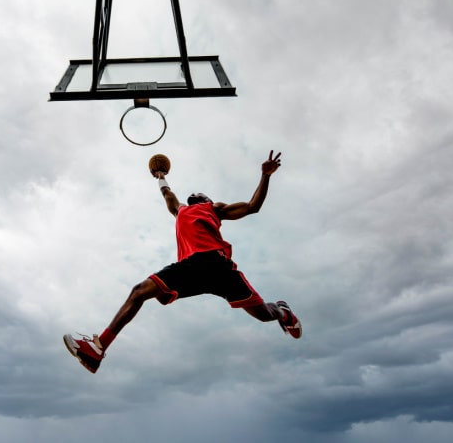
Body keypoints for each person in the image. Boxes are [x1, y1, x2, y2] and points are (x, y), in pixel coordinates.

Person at [64, 150, 301, 374]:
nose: (195, 194)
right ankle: (98, 349)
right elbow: (168, 195)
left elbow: (252, 207)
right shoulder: (180, 210)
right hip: (191, 268)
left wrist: (265, 175)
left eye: (201, 194)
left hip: (215, 264)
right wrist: (161, 178)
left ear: (208, 200)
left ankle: (283, 312)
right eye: (193, 194)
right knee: (139, 292)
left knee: (264, 314)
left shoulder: (214, 208)